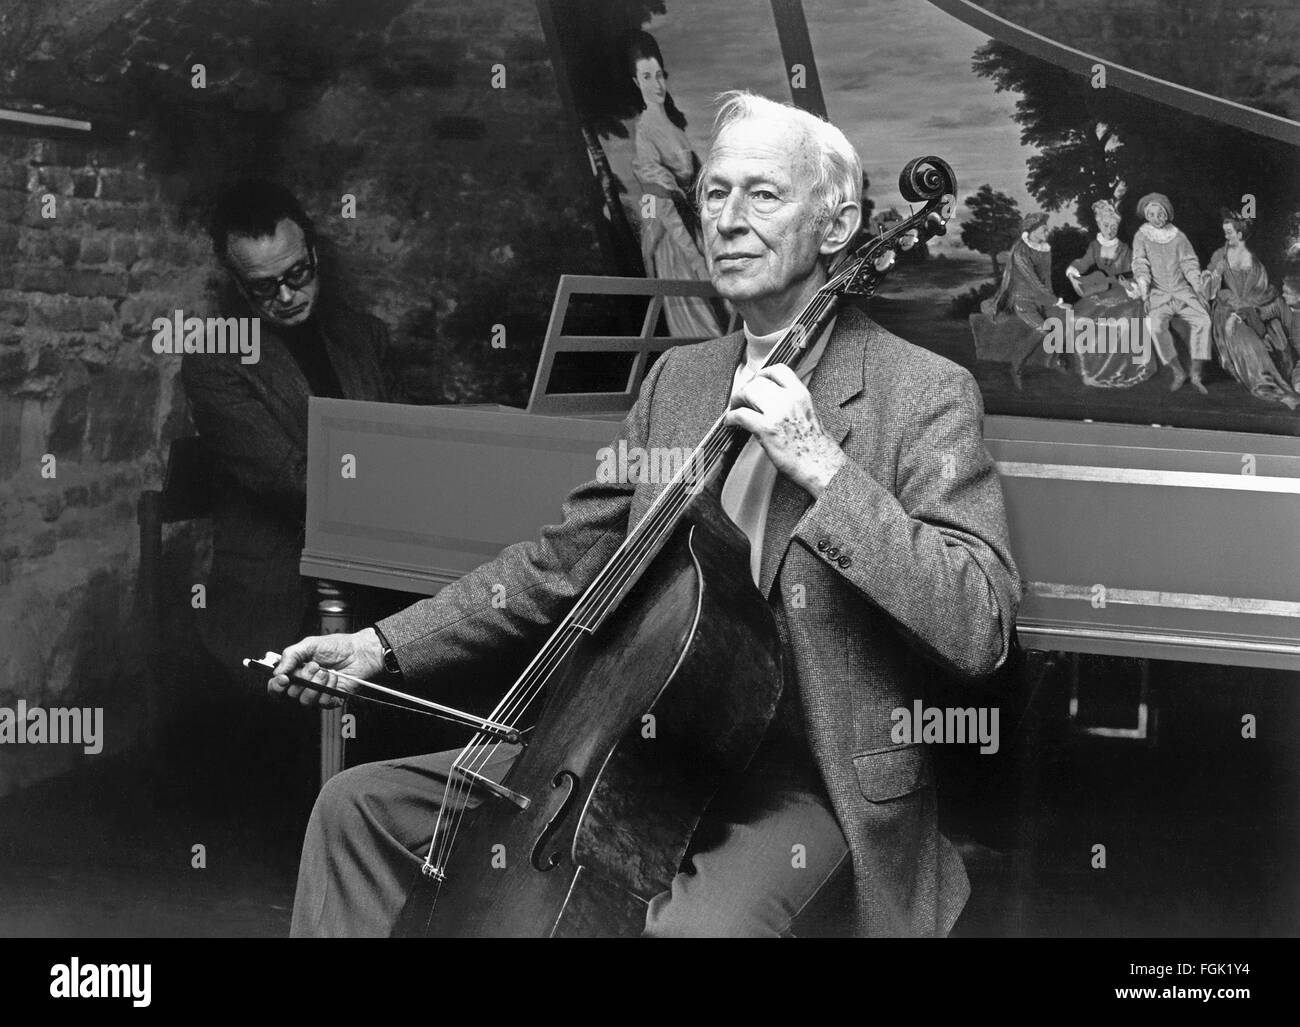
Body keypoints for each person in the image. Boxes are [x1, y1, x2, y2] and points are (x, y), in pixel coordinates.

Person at [271, 92, 1020, 938]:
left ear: (840, 225)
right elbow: (558, 565)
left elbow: (979, 622)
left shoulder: (922, 393)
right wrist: (377, 645)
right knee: (356, 810)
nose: (727, 221)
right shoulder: (679, 382)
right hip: (637, 752)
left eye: (763, 195)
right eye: (715, 194)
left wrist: (825, 468)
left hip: (803, 780)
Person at [181, 180, 390, 684]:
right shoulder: (214, 358)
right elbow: (292, 480)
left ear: (314, 252)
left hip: (375, 577)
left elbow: (398, 442)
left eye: (298, 273)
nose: (287, 295)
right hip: (277, 596)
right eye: (263, 286)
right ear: (236, 281)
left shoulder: (365, 336)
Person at [628, 30, 725, 338]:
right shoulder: (645, 133)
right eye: (646, 77)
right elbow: (664, 204)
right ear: (635, 82)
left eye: (659, 75)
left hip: (694, 228)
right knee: (702, 329)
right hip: (675, 242)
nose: (656, 85)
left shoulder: (672, 124)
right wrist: (696, 259)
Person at [1206, 213, 1299, 409]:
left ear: (1240, 234)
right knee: (1247, 342)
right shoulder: (1219, 256)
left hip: (1255, 307)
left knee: (1276, 332)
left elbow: (1263, 290)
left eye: (1230, 232)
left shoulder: (1253, 258)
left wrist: (1250, 309)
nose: (1226, 237)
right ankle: (1276, 391)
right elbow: (1208, 291)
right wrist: (1215, 274)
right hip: (1228, 311)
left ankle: (1292, 382)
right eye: (1225, 233)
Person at [1130, 191, 1212, 393]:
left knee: (1204, 321)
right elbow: (1140, 264)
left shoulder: (1179, 236)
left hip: (1182, 292)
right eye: (1151, 215)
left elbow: (1190, 264)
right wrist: (1143, 289)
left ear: (1167, 214)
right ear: (1146, 216)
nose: (1156, 219)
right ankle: (1177, 371)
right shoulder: (1141, 236)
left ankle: (1196, 374)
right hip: (1159, 294)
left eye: (1160, 214)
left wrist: (1198, 287)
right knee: (1156, 326)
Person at [1065, 199, 1153, 388]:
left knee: (1123, 325)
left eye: (1113, 226)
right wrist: (1073, 270)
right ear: (1099, 224)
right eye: (1106, 225)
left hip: (1124, 296)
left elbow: (1135, 274)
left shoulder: (1125, 249)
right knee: (1077, 318)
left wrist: (1130, 285)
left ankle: (1117, 372)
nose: (1110, 229)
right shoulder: (1095, 246)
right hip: (1101, 294)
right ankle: (1089, 372)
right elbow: (1084, 262)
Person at [984, 211, 1069, 389]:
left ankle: (1057, 360)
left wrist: (1053, 304)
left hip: (1042, 299)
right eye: (1044, 229)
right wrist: (1055, 301)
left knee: (1063, 318)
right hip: (1023, 300)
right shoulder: (1021, 252)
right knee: (1044, 329)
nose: (1048, 232)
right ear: (1032, 230)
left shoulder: (1045, 249)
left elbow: (1046, 279)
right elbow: (1033, 281)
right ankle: (1016, 367)